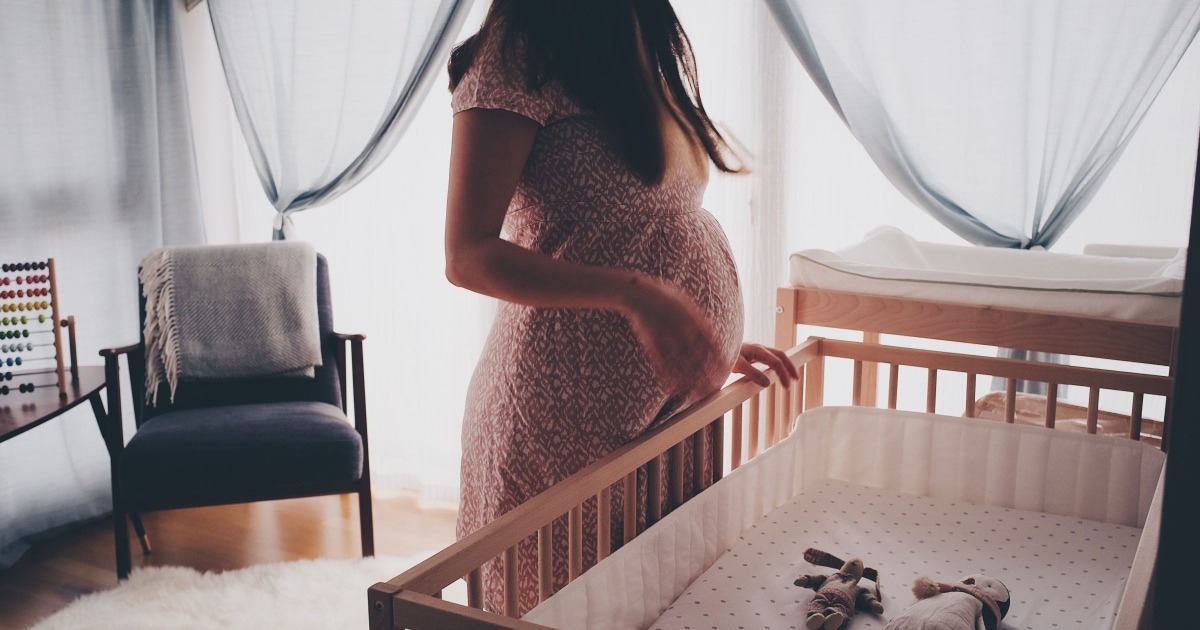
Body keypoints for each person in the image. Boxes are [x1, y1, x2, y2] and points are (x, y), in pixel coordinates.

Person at [446, 0, 798, 614]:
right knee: (568, 611)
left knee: (648, 605)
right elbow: (465, 254)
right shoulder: (520, 51)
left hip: (663, 417)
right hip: (562, 424)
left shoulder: (635, 35)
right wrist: (636, 295)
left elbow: (637, 223)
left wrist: (700, 336)